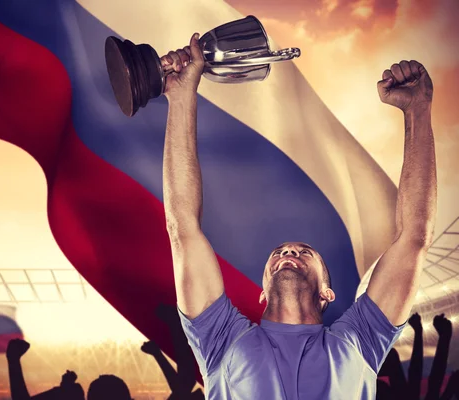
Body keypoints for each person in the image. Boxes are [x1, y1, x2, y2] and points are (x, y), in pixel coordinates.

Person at [161, 32, 437, 400]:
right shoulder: (219, 339)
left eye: (305, 252)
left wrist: (418, 109)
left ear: (328, 292)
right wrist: (181, 97)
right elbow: (183, 229)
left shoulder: (362, 340)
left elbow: (413, 239)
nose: (288, 250)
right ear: (261, 292)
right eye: (280, 252)